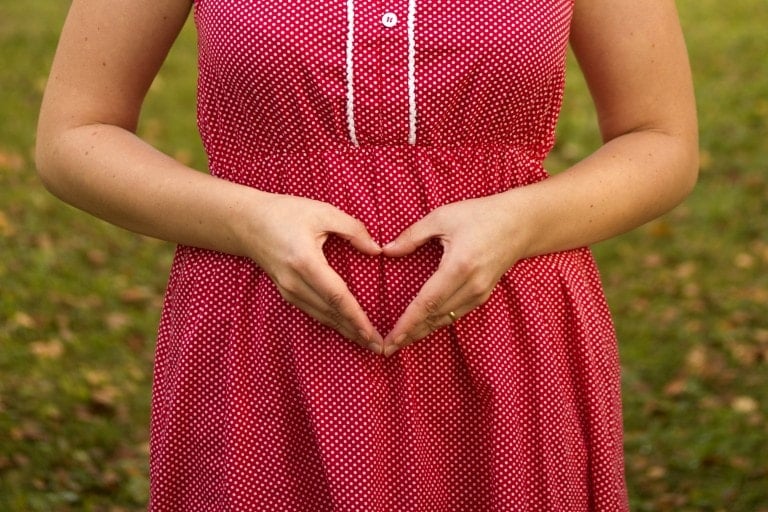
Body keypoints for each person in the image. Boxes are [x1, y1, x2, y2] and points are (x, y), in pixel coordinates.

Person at [36, 0, 698, 509]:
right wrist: (248, 219)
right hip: (262, 340)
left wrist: (521, 221)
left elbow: (660, 139)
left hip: (508, 332)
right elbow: (75, 135)